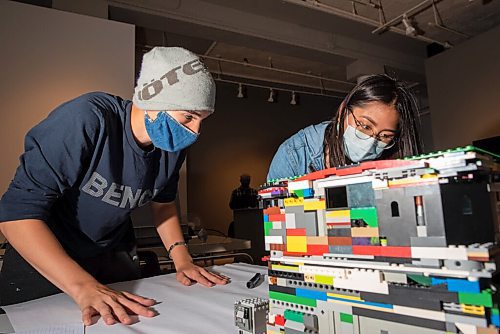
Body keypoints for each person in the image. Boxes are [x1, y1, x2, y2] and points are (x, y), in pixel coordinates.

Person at [0, 47, 228, 326]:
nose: (195, 132)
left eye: (202, 120)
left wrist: (182, 259)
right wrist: (82, 285)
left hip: (110, 252)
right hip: (47, 254)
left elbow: (164, 203)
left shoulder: (170, 145)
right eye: (188, 117)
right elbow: (16, 216)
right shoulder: (86, 118)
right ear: (152, 98)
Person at [267, 74, 423, 180]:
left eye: (385, 136)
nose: (370, 142)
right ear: (343, 111)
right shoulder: (295, 155)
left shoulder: (394, 156)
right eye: (365, 126)